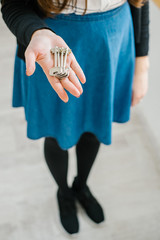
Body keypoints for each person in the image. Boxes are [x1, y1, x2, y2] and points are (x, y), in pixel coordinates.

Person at [1, 0, 150, 235]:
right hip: (53, 42)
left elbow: (141, 2)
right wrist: (34, 30)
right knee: (56, 131)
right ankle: (64, 192)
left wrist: (142, 62)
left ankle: (82, 186)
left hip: (111, 40)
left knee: (94, 127)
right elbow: (12, 3)